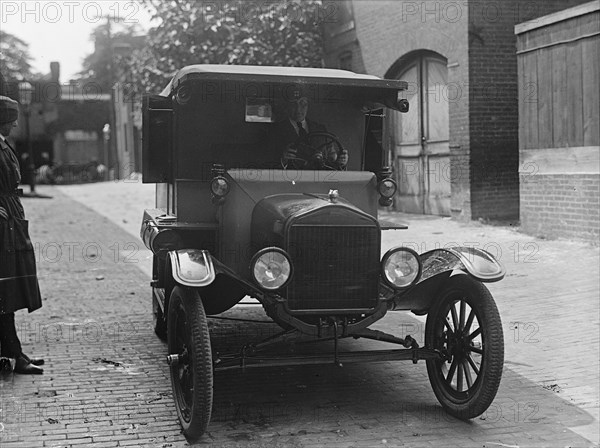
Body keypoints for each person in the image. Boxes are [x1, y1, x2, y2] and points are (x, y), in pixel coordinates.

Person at [0, 95, 44, 375]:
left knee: (10, 289)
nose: (15, 123)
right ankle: (15, 356)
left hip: (11, 218)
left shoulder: (3, 145)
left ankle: (11, 354)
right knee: (5, 290)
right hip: (4, 222)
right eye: (10, 118)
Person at [268, 92, 348, 170]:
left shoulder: (320, 129)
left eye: (303, 104)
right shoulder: (275, 130)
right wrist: (283, 160)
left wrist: (341, 162)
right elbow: (267, 164)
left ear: (308, 106)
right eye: (294, 104)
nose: (298, 110)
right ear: (287, 106)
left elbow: (332, 159)